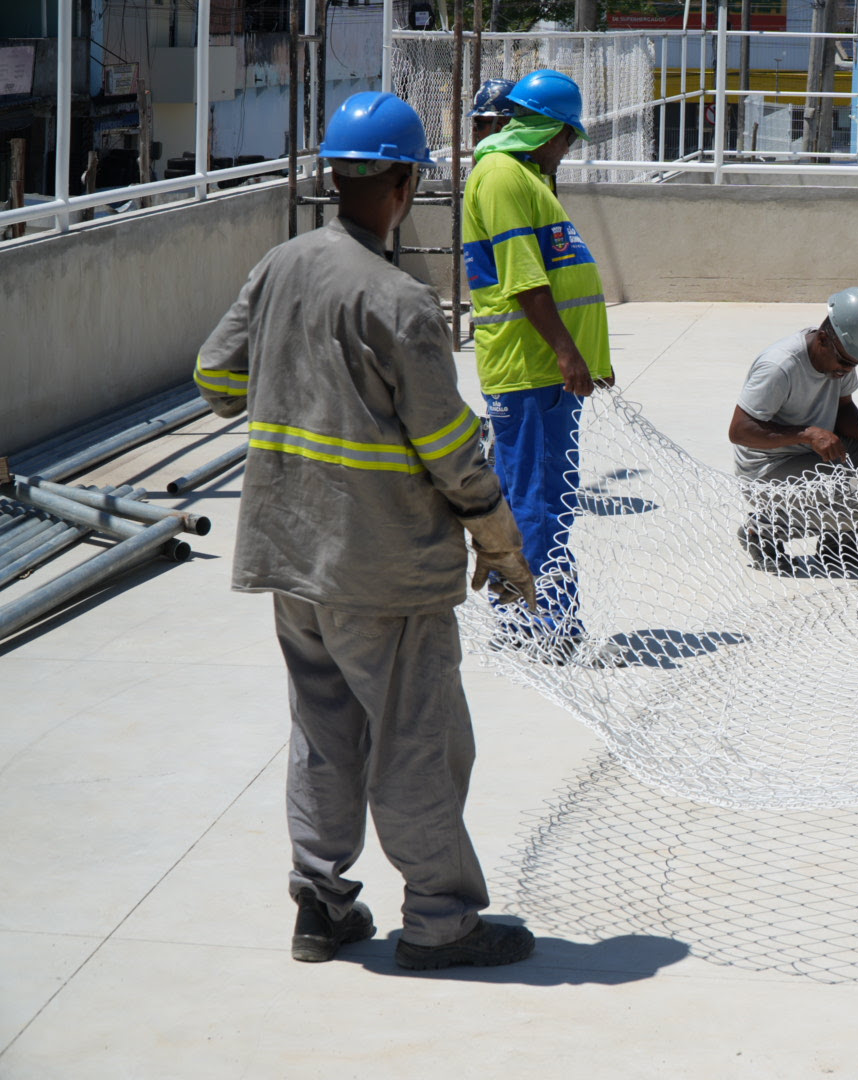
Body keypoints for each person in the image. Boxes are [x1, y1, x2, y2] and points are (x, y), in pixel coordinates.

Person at [194, 91, 538, 971]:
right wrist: (499, 540)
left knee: (323, 732)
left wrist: (297, 389)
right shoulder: (400, 301)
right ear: (406, 182)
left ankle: (321, 904)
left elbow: (214, 377)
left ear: (334, 175)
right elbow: (452, 450)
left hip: (290, 557)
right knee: (417, 740)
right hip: (383, 571)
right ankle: (438, 921)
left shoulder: (281, 265)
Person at [461, 68, 617, 664]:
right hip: (529, 371)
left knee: (549, 499)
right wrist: (567, 352)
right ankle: (533, 625)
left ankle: (546, 619)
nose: (568, 149)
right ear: (548, 128)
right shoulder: (501, 175)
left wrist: (587, 358)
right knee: (532, 502)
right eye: (568, 137)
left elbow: (563, 277)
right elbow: (525, 280)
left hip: (549, 374)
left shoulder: (525, 176)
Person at [728, 286, 858, 576]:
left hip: (814, 456)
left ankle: (839, 543)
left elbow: (845, 408)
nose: (847, 371)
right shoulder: (780, 366)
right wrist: (807, 434)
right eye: (845, 362)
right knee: (852, 493)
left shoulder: (839, 357)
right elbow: (740, 430)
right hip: (769, 470)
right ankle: (761, 531)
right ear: (824, 339)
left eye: (856, 364)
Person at [469, 78, 517, 147]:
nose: (474, 130)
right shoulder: (531, 151)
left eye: (479, 125)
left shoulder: (492, 157)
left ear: (497, 129)